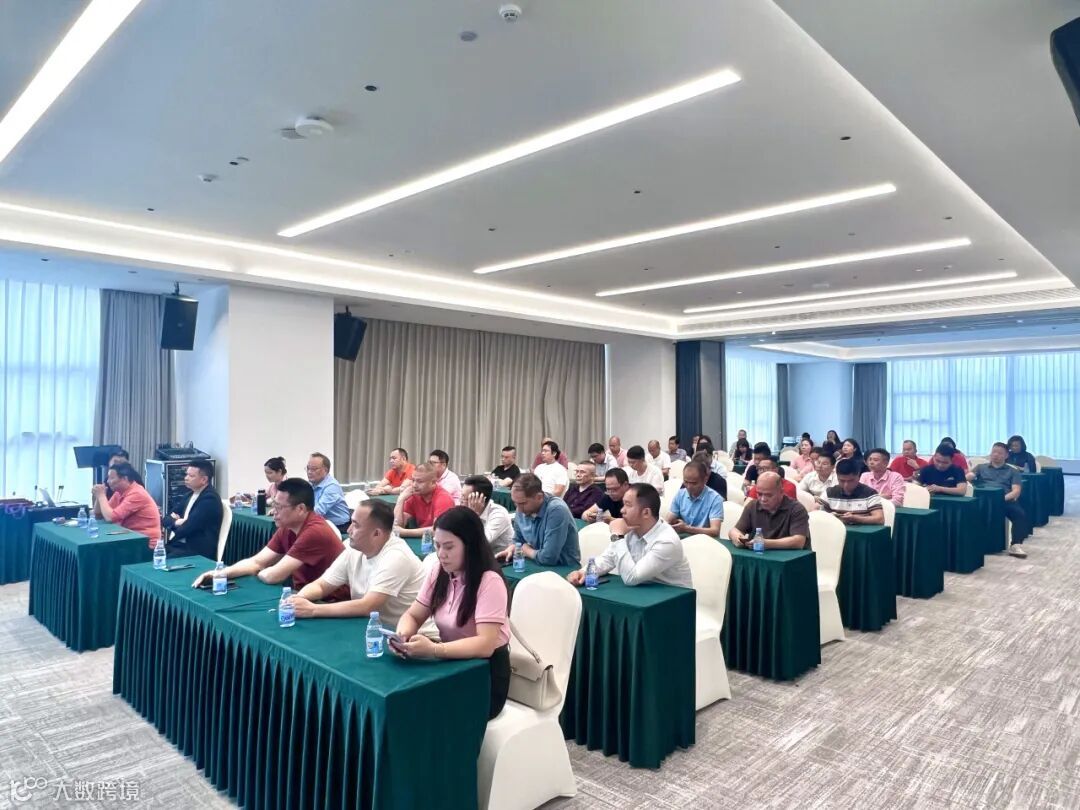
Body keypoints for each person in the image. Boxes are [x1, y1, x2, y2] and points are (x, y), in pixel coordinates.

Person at [395, 507, 511, 720]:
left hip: (485, 675)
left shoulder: (489, 581)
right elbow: (413, 615)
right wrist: (403, 637)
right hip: (450, 662)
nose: (441, 554)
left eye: (449, 547)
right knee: (405, 698)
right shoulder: (439, 571)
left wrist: (434, 650)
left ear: (470, 545)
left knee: (421, 709)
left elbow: (485, 645)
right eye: (437, 546)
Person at [288, 499, 430, 626]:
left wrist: (313, 610)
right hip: (375, 628)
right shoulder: (352, 548)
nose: (349, 530)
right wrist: (298, 599)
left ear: (376, 533)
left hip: (416, 636)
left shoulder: (396, 557)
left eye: (356, 525)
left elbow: (367, 606)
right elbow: (322, 585)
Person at [192, 478, 346, 593]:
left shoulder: (315, 532)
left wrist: (260, 571)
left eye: (279, 507)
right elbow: (257, 562)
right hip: (303, 595)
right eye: (274, 505)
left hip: (329, 601)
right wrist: (220, 573)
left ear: (300, 509)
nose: (274, 512)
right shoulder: (288, 527)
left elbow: (274, 576)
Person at [570, 484, 693, 588]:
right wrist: (584, 572)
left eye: (628, 505)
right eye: (623, 504)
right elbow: (608, 558)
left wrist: (617, 536)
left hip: (671, 600)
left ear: (646, 512)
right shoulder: (631, 528)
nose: (622, 510)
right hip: (643, 592)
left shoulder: (667, 541)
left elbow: (632, 578)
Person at [497, 473, 580, 566]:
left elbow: (548, 558)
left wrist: (525, 549)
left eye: (523, 503)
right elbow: (518, 540)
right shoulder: (521, 507)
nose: (519, 509)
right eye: (515, 503)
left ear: (539, 497)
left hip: (563, 568)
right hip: (535, 562)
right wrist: (511, 548)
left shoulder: (557, 510)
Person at [968, 443, 1031, 557]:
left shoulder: (1013, 471)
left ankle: (1015, 545)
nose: (995, 455)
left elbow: (1016, 491)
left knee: (1020, 515)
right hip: (983, 501)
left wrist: (999, 499)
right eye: (994, 452)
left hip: (1004, 500)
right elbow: (968, 477)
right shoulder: (981, 467)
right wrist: (967, 477)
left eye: (999, 453)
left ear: (1006, 455)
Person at [729, 472, 810, 550]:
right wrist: (737, 537)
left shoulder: (797, 509)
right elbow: (735, 530)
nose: (763, 499)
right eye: (759, 494)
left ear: (781, 492)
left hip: (791, 557)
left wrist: (767, 543)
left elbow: (798, 542)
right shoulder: (752, 506)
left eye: (769, 495)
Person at [163, 459, 224, 559]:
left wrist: (174, 523)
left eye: (191, 476)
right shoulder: (189, 495)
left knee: (159, 562)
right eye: (186, 474)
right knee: (147, 555)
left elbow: (188, 528)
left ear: (204, 480)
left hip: (196, 551)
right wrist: (177, 522)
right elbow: (165, 519)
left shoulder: (209, 499)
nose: (186, 478)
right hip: (178, 545)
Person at [92, 462, 162, 546]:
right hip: (130, 537)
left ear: (124, 479)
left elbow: (110, 517)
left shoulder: (137, 493)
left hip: (146, 543)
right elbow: (99, 515)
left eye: (111, 478)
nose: (108, 481)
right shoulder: (119, 492)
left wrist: (101, 496)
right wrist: (99, 495)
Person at [394, 463, 455, 537]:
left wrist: (405, 532)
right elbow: (398, 525)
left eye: (419, 481)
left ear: (433, 482)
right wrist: (401, 499)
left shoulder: (444, 498)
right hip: (424, 539)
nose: (414, 485)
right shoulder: (414, 495)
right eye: (413, 480)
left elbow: (438, 530)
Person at [666, 460, 723, 537]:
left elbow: (715, 531)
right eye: (686, 482)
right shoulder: (680, 494)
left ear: (705, 480)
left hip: (705, 541)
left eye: (694, 483)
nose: (689, 487)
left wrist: (686, 528)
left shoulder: (715, 499)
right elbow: (668, 521)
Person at [819, 459, 885, 525]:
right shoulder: (829, 493)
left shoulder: (870, 493)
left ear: (858, 476)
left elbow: (880, 519)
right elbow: (816, 513)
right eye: (842, 481)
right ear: (837, 477)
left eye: (851, 481)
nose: (846, 485)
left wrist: (856, 519)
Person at [461, 475, 515, 552]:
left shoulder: (499, 514)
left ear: (480, 499)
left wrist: (474, 515)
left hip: (500, 556)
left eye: (464, 498)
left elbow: (479, 542)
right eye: (461, 496)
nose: (461, 501)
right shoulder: (464, 510)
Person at [306, 452, 351, 533]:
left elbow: (318, 512)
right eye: (308, 468)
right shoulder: (312, 483)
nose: (309, 472)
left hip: (340, 526)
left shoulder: (332, 487)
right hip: (323, 523)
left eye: (314, 469)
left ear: (325, 470)